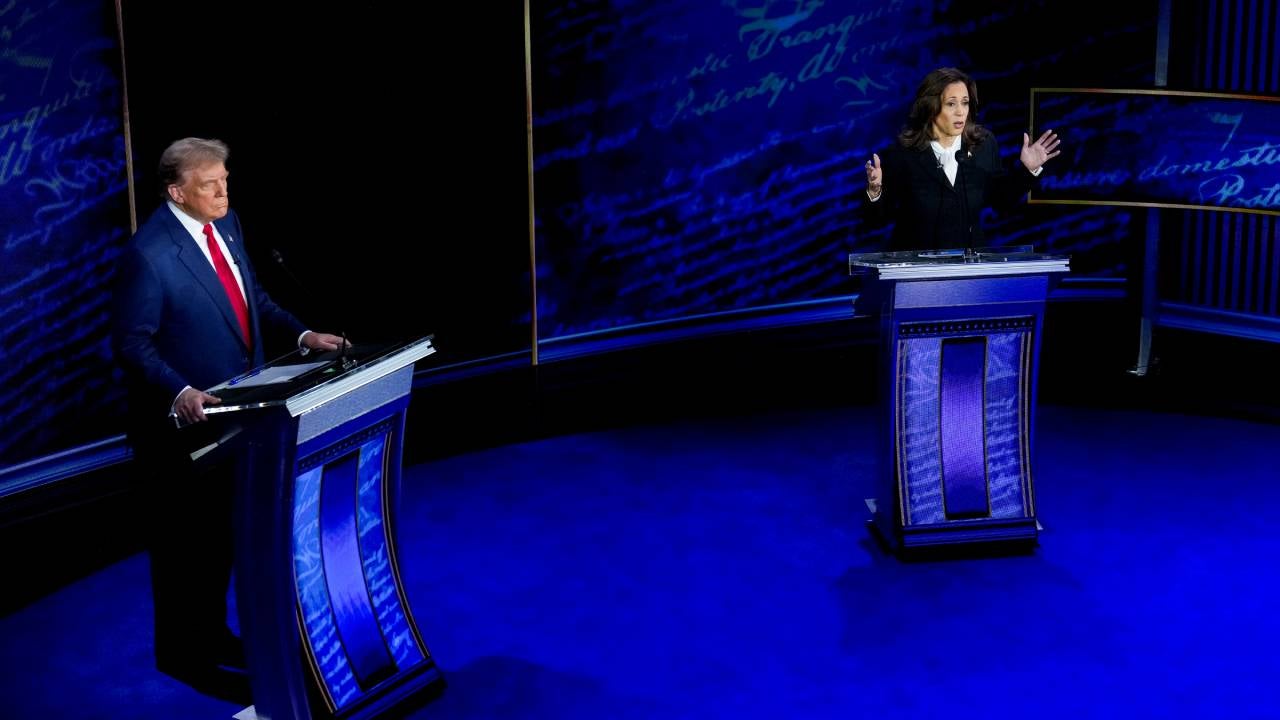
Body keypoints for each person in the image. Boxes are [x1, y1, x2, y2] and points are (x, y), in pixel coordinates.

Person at [112, 137, 346, 697]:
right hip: (183, 433)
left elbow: (253, 301)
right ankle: (184, 657)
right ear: (177, 192)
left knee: (222, 541)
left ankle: (214, 636)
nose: (224, 190)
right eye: (210, 183)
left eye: (225, 179)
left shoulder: (230, 223)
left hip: (245, 420)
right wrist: (181, 391)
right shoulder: (149, 255)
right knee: (185, 550)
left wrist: (302, 334)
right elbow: (132, 344)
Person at [863, 67, 1062, 251]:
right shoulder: (903, 153)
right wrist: (875, 191)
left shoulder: (983, 145)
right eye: (951, 104)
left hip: (968, 268)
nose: (961, 112)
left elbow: (1001, 200)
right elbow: (876, 220)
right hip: (917, 272)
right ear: (931, 107)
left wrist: (1026, 170)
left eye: (965, 103)